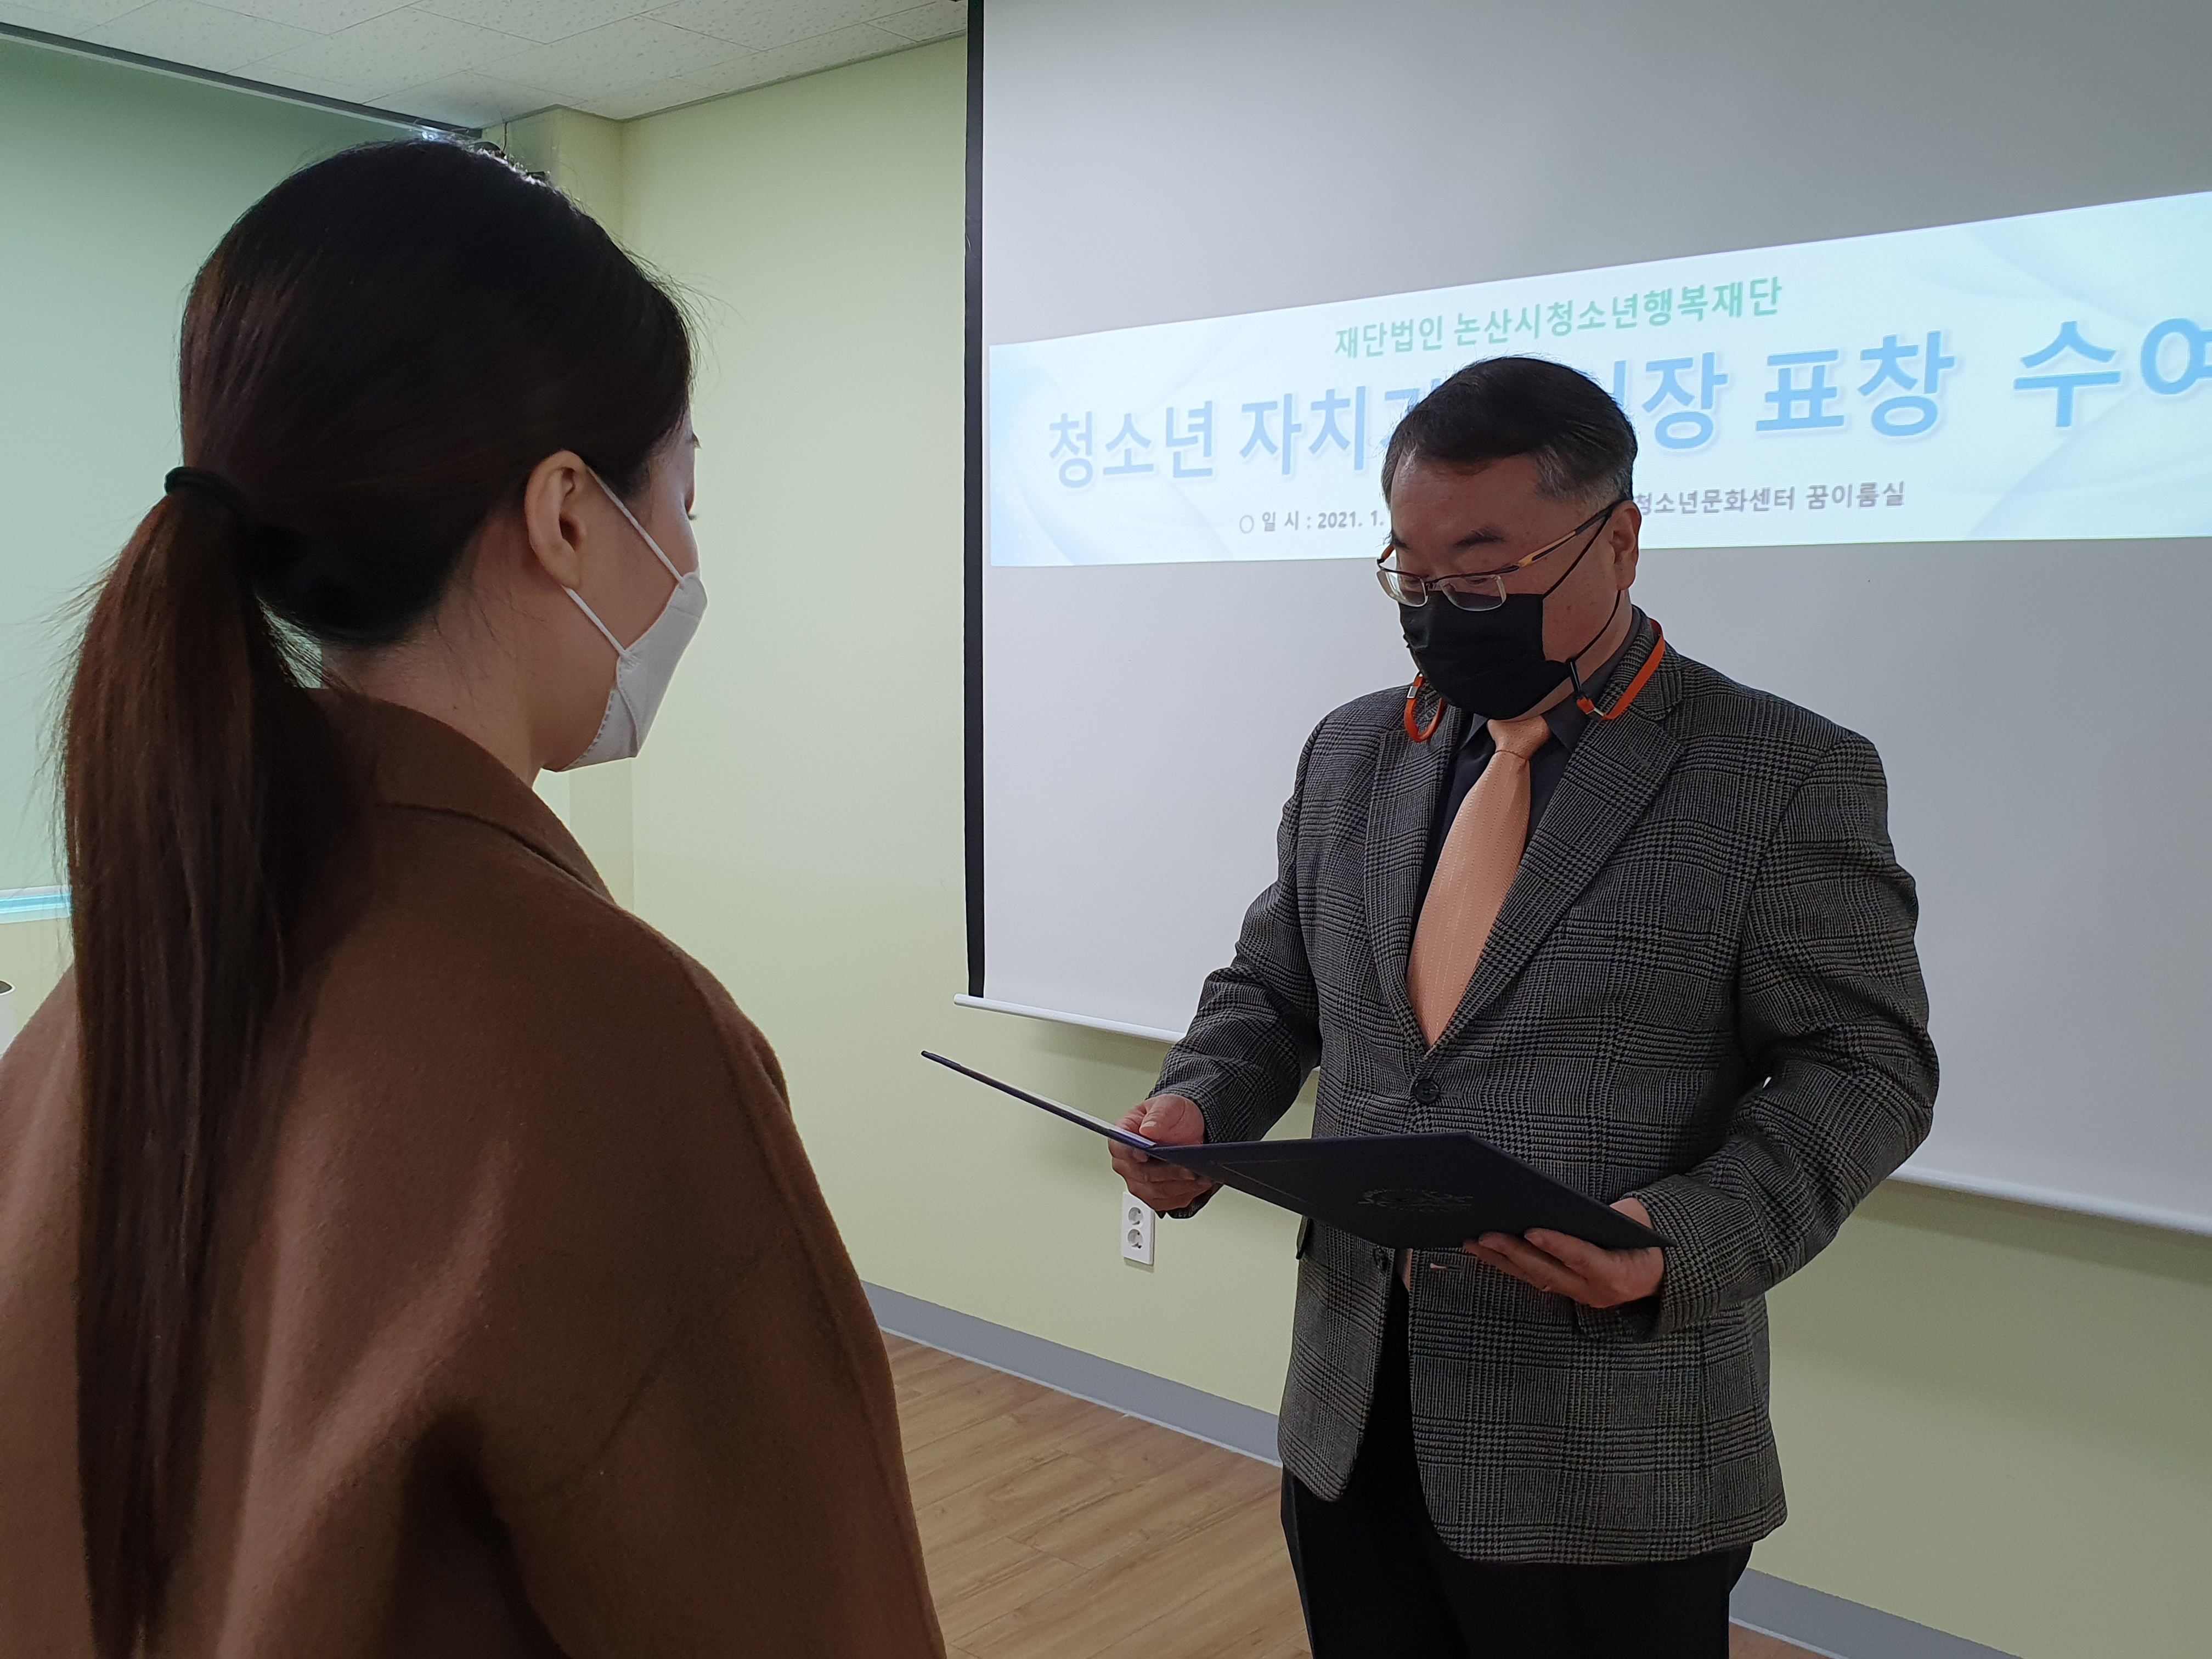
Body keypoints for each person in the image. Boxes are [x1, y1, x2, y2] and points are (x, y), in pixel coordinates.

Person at [0, 140, 944, 1658]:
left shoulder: (118, 991)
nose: (686, 557)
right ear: (566, 513)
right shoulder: (615, 1039)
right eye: (681, 493)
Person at [1113, 357, 1936, 1658]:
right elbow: (1276, 986)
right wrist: (1197, 1102)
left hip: (1607, 1452)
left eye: (1487, 570)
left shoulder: (1781, 774)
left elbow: (1865, 1069)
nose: (1445, 608)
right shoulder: (1355, 750)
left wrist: (1676, 1240)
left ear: (1619, 539)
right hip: (1352, 1417)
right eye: (1413, 573)